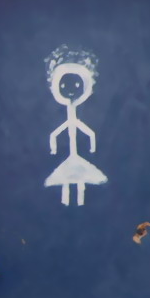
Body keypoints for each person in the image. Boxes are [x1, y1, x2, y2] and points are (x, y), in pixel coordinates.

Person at [44, 50, 107, 207]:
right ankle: (66, 203)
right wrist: (54, 146)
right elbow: (57, 132)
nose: (71, 90)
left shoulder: (76, 117)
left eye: (77, 85)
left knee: (79, 180)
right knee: (67, 180)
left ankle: (78, 202)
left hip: (76, 158)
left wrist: (92, 145)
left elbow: (88, 132)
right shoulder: (69, 115)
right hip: (71, 158)